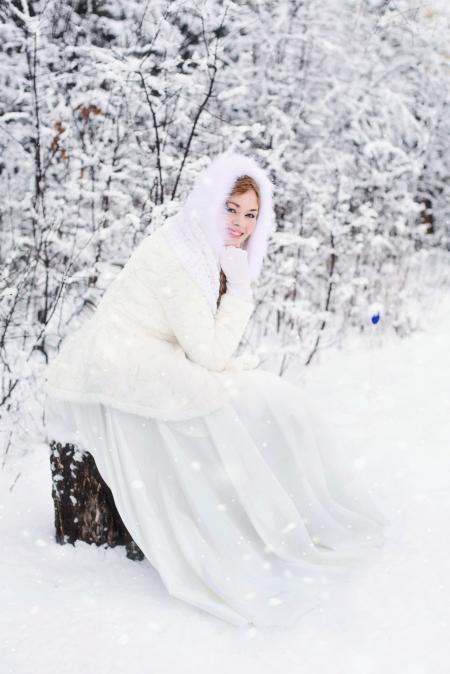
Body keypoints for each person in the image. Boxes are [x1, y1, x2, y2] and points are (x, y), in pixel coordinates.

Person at [43, 150, 390, 628]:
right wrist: (241, 294)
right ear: (210, 202)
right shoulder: (184, 257)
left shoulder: (200, 245)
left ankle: (279, 510)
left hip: (141, 351)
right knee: (229, 403)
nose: (240, 224)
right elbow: (207, 353)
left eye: (252, 214)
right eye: (232, 208)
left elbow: (205, 346)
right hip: (124, 358)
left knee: (266, 399)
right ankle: (246, 521)